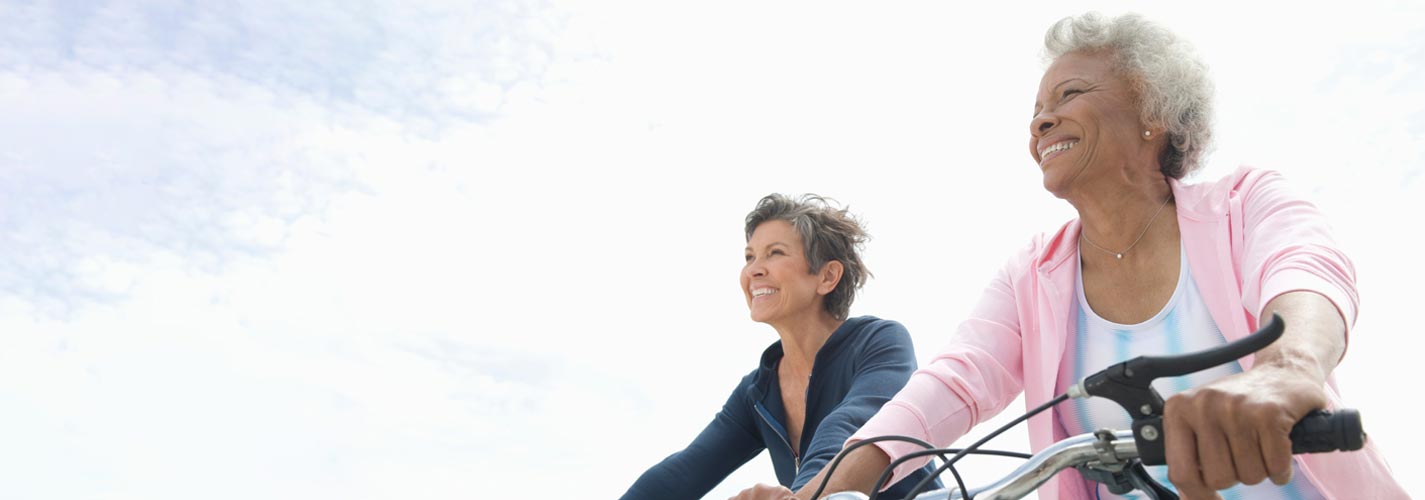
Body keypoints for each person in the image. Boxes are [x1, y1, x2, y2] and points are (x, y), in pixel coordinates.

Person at [793, 12, 1408, 500]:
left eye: (1070, 93)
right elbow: (952, 382)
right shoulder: (1031, 274)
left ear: (1152, 111)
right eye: (1035, 112)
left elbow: (1307, 272)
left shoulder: (1245, 204)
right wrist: (825, 490)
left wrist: (1288, 370)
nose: (1040, 123)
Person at [618, 194, 940, 500]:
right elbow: (683, 473)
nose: (754, 270)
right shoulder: (758, 392)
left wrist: (799, 496)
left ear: (827, 276)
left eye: (775, 253)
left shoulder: (879, 342)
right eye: (749, 257)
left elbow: (848, 426)